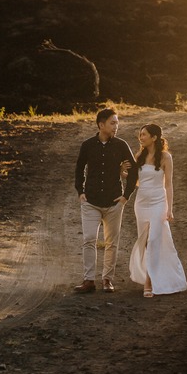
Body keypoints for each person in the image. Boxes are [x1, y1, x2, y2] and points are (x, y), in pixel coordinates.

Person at [73, 107, 137, 293]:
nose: (116, 126)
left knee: (112, 243)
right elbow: (79, 169)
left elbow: (133, 171)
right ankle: (88, 280)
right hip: (90, 201)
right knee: (89, 239)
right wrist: (80, 191)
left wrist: (126, 196)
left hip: (114, 202)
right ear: (101, 125)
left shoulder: (121, 145)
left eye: (117, 122)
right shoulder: (87, 145)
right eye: (113, 123)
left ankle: (107, 279)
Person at [128, 123, 187, 297]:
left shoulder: (166, 157)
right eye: (141, 134)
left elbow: (168, 184)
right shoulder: (140, 155)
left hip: (158, 202)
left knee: (154, 240)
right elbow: (140, 181)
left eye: (144, 134)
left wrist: (169, 209)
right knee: (146, 241)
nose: (141, 137)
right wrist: (124, 174)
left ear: (154, 137)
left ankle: (149, 282)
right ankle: (152, 274)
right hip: (141, 203)